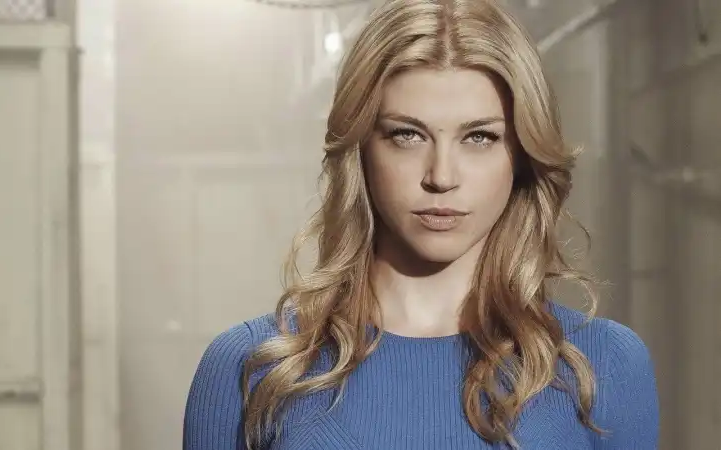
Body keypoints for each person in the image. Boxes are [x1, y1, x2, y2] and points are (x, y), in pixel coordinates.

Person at [183, 0, 659, 449]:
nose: (441, 176)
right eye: (407, 135)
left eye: (479, 137)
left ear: (520, 156)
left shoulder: (603, 365)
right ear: (361, 149)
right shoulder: (252, 368)